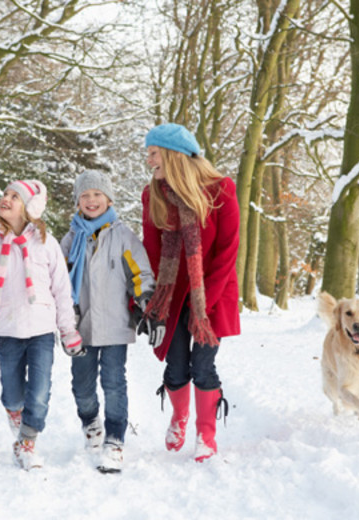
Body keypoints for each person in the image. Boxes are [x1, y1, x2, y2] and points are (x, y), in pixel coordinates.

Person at [0, 179, 84, 471]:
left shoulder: (45, 243)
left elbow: (62, 290)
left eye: (15, 196)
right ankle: (15, 413)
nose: (6, 198)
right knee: (13, 393)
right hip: (7, 329)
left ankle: (27, 442)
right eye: (5, 194)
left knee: (39, 391)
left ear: (29, 209)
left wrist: (68, 330)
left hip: (41, 330)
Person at [139, 122, 240, 462]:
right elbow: (152, 251)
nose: (149, 160)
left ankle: (206, 434)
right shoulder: (152, 194)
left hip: (214, 291)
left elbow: (227, 250)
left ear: (173, 154)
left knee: (203, 365)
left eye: (153, 153)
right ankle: (179, 417)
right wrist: (152, 300)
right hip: (173, 294)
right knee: (177, 366)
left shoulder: (221, 189)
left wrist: (204, 304)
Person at [60, 169, 155, 473]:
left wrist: (145, 302)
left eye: (97, 194)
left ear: (108, 198)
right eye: (85, 195)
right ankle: (91, 422)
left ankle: (115, 439)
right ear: (78, 201)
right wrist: (63, 318)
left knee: (114, 383)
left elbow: (141, 273)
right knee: (82, 387)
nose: (91, 200)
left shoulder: (123, 235)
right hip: (81, 327)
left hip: (116, 325)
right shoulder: (71, 239)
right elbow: (58, 280)